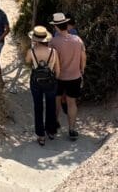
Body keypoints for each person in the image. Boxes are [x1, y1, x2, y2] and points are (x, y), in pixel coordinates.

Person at [49, 12, 86, 141]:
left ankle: (53, 129)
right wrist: (81, 71)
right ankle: (71, 129)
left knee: (56, 102)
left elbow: (51, 60)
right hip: (75, 76)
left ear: (56, 27)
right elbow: (83, 59)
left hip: (58, 77)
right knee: (72, 103)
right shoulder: (78, 40)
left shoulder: (53, 42)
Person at [26, 25, 61, 146]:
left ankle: (40, 135)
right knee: (51, 106)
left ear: (34, 39)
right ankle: (51, 131)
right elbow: (58, 70)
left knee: (38, 107)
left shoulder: (31, 51)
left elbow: (27, 62)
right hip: (50, 81)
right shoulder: (53, 52)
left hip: (36, 82)